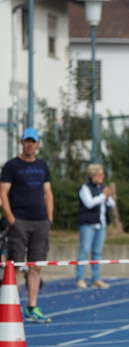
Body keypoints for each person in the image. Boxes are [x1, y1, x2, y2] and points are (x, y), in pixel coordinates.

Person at [0, 127, 54, 323]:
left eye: (33, 141)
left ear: (38, 144)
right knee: (14, 265)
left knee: (36, 266)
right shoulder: (11, 166)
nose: (30, 145)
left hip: (40, 221)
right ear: (22, 143)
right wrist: (11, 219)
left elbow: (48, 192)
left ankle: (32, 307)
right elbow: (3, 193)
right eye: (27, 141)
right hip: (19, 221)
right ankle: (10, 307)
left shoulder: (42, 166)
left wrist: (49, 218)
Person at [75, 164, 115, 289]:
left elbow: (111, 204)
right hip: (88, 224)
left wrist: (108, 196)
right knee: (84, 251)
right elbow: (89, 203)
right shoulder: (85, 188)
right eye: (101, 174)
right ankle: (80, 278)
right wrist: (103, 196)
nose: (103, 177)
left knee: (97, 252)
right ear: (94, 175)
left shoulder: (102, 187)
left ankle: (96, 278)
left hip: (101, 224)